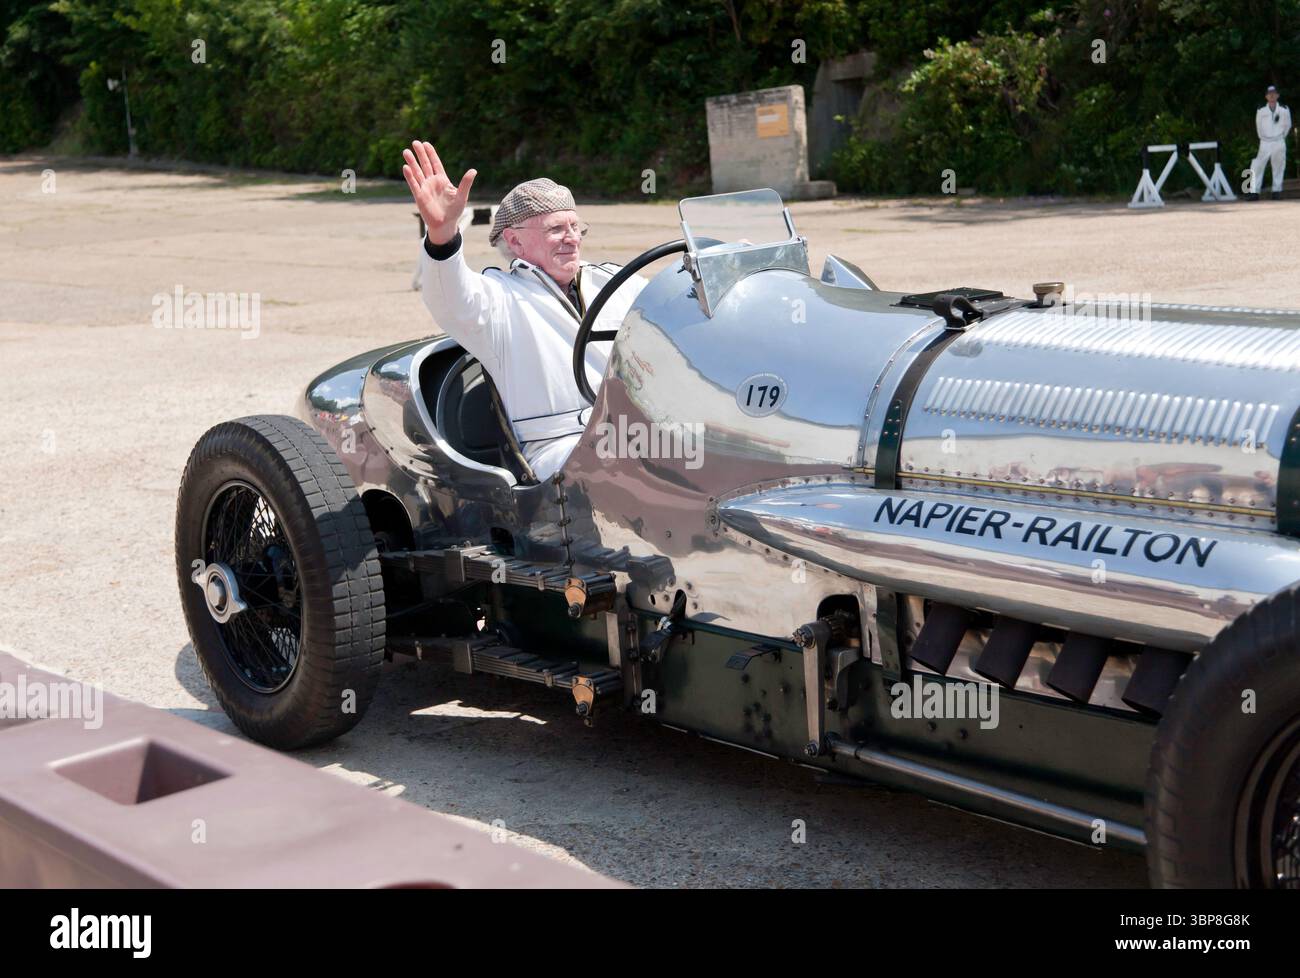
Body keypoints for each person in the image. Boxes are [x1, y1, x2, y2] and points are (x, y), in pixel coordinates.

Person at [401, 140, 648, 479]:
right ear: (514, 241)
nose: (572, 238)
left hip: (639, 435)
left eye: (576, 227)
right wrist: (442, 233)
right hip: (558, 449)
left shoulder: (614, 280)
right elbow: (448, 297)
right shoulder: (498, 298)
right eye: (556, 229)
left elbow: (674, 306)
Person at [1248, 85, 1292, 200]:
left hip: (1279, 141)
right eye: (1269, 94)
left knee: (1279, 166)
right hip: (1265, 142)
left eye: (1274, 93)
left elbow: (1288, 125)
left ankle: (1276, 191)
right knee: (1257, 166)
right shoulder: (1261, 109)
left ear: (1278, 95)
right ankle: (1254, 192)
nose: (1272, 95)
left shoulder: (1284, 109)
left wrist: (1281, 137)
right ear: (1266, 96)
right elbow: (1258, 126)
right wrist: (1264, 138)